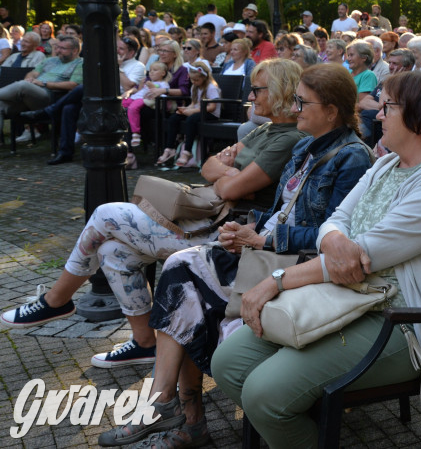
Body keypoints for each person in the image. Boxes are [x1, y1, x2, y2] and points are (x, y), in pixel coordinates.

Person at [94, 64, 373, 448]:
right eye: (293, 100)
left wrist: (261, 240)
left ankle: (178, 414)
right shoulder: (306, 144)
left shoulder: (352, 157)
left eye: (301, 102)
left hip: (295, 267)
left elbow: (334, 238)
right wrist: (247, 229)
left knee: (183, 277)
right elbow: (280, 210)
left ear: (331, 110)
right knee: (183, 277)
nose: (294, 109)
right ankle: (178, 414)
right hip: (268, 251)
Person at [210, 72, 421, 447]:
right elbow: (334, 221)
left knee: (264, 394)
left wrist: (275, 281)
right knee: (228, 363)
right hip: (345, 297)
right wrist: (335, 239)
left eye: (388, 107)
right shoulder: (387, 164)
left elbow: (363, 257)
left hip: (404, 322)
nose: (377, 115)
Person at [2, 60, 304, 365]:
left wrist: (227, 176)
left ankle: (56, 300)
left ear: (280, 91)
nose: (250, 97)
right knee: (112, 249)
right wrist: (229, 174)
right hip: (209, 216)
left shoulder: (288, 138)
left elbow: (228, 190)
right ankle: (145, 342)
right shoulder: (265, 129)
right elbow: (207, 166)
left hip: (229, 234)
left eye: (257, 90)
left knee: (107, 214)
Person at [0, 34, 83, 142]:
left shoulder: (80, 63)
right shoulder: (50, 60)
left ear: (75, 50)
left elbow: (74, 85)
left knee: (23, 85)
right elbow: (32, 73)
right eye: (57, 47)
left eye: (63, 48)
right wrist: (30, 79)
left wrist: (44, 84)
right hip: (29, 96)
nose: (58, 50)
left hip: (51, 98)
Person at [161, 59, 222, 168]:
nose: (193, 82)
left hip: (210, 114)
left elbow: (212, 107)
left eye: (196, 80)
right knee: (174, 118)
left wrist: (192, 111)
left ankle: (187, 151)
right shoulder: (195, 87)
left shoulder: (211, 87)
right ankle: (169, 148)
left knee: (191, 120)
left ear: (204, 77)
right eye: (192, 80)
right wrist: (184, 109)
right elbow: (193, 103)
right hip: (198, 111)